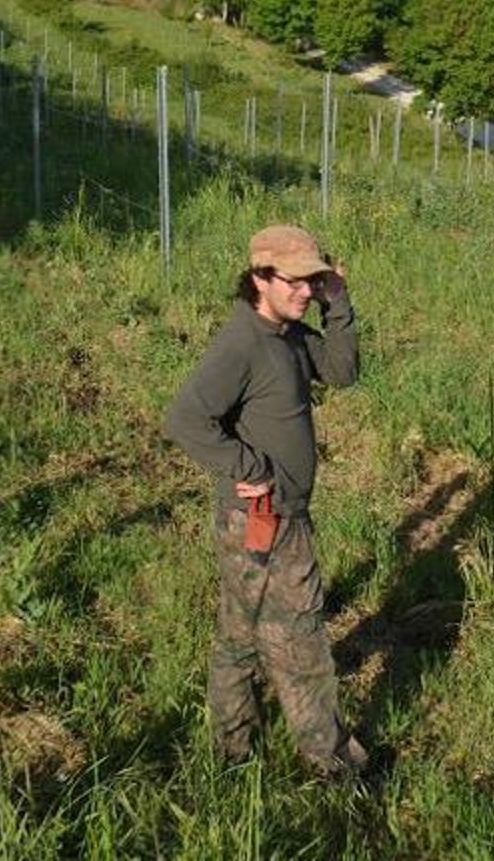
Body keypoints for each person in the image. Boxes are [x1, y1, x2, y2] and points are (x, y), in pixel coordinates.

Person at [164, 224, 367, 777]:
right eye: (295, 281)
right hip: (266, 517)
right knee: (300, 638)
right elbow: (185, 419)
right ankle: (334, 764)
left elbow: (343, 371)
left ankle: (231, 752)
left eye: (313, 281)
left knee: (240, 634)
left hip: (270, 516)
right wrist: (248, 468)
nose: (305, 291)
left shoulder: (289, 333)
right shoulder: (244, 344)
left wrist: (337, 303)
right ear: (259, 278)